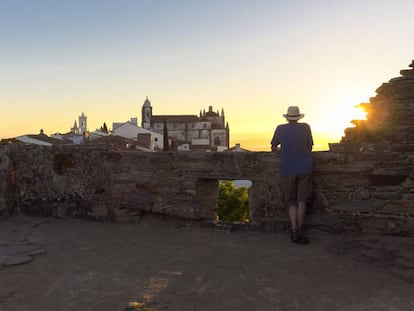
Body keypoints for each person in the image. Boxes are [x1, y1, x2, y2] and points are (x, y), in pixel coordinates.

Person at [271, 106, 313, 244]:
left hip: (288, 168)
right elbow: (309, 146)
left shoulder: (280, 128)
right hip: (305, 167)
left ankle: (294, 230)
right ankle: (299, 231)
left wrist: (284, 153)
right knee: (302, 201)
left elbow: (273, 147)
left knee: (291, 201)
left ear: (287, 117)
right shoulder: (306, 127)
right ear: (299, 117)